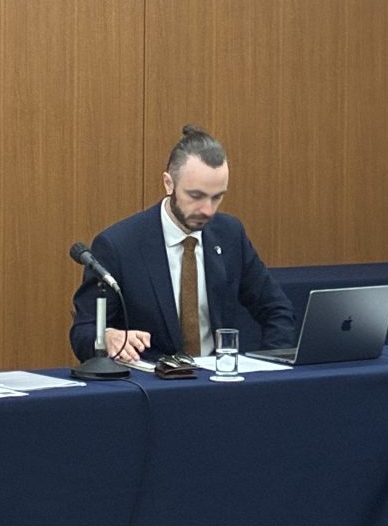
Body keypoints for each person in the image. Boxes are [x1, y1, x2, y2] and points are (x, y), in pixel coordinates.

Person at [70, 125, 295, 363]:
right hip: (150, 379)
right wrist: (107, 337)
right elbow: (83, 331)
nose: (208, 210)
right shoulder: (119, 245)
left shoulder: (230, 234)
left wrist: (271, 366)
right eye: (196, 196)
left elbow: (277, 309)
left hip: (218, 378)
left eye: (217, 197)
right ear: (169, 183)